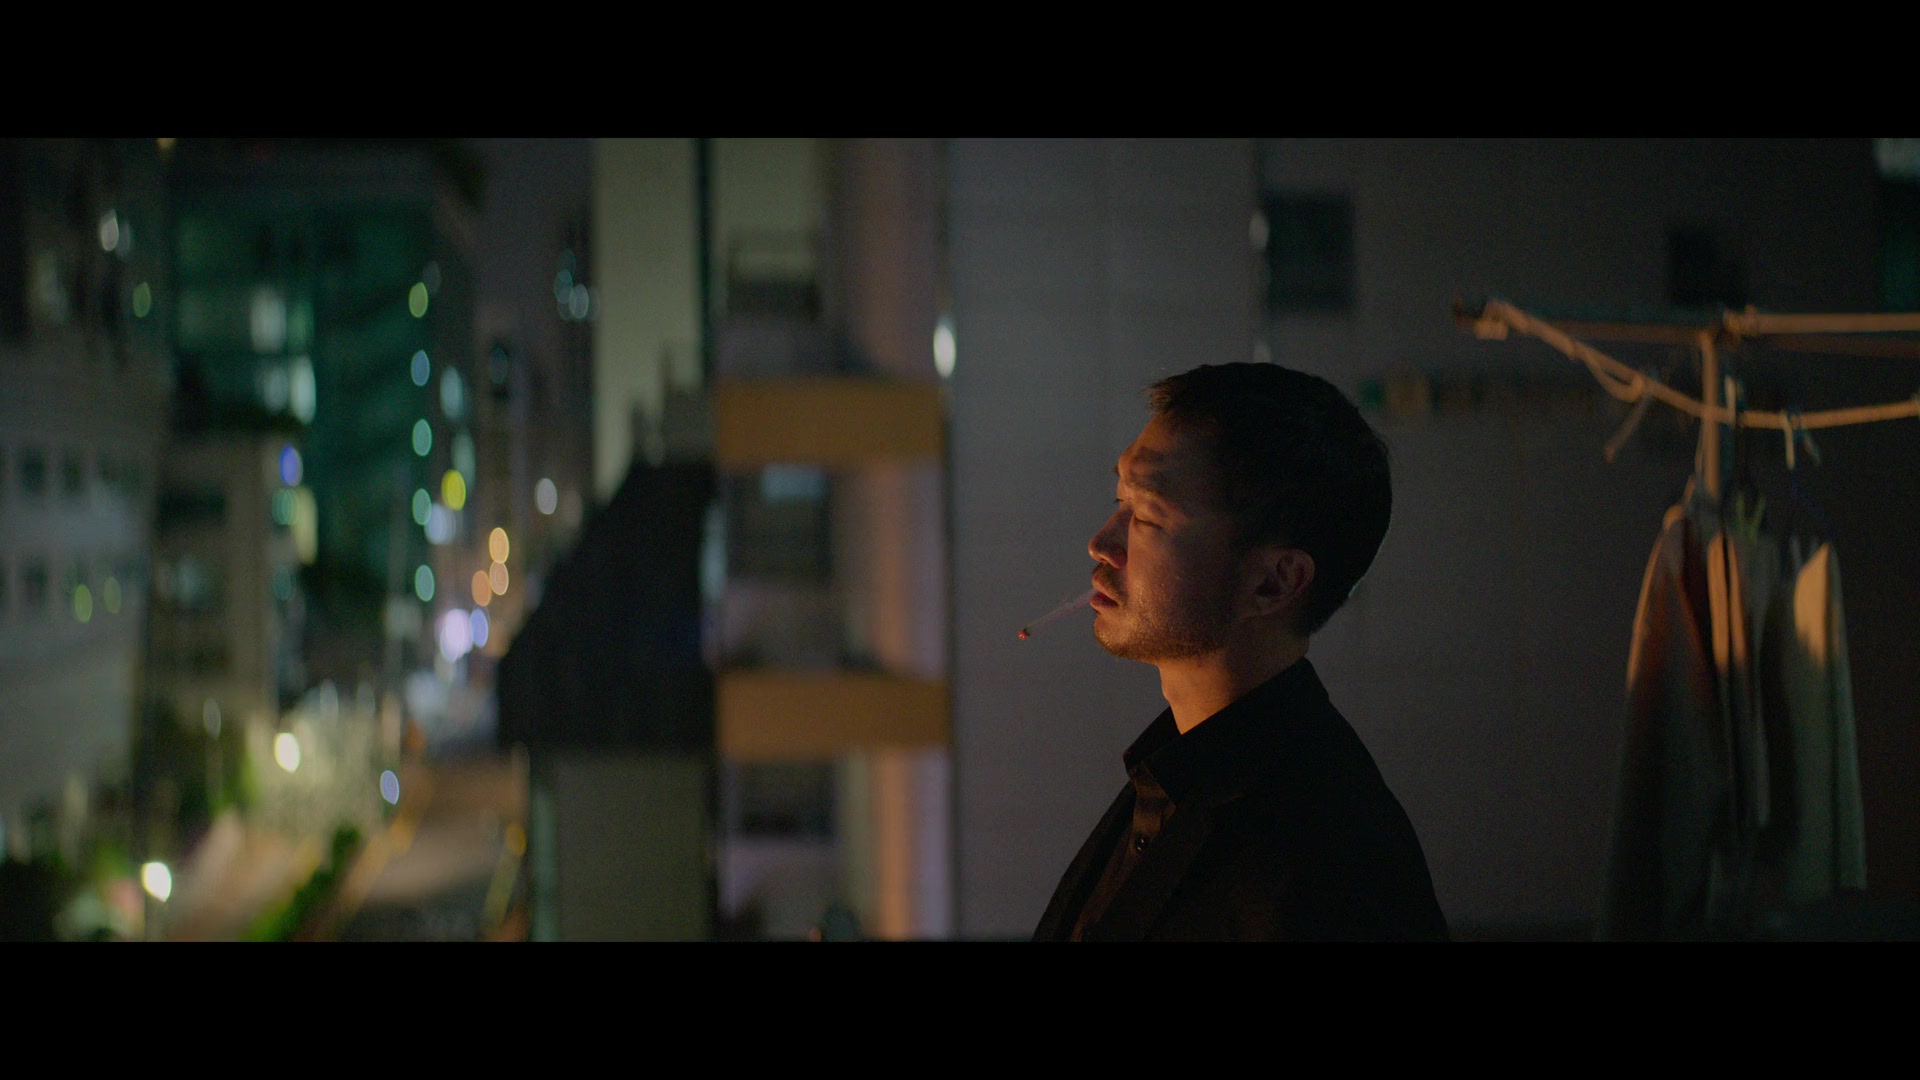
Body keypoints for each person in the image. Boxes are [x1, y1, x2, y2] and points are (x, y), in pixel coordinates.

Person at [1033, 362, 1448, 941]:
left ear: (1273, 583)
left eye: (1147, 515)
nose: (1101, 543)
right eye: (1119, 498)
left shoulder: (1322, 859)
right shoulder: (1176, 781)